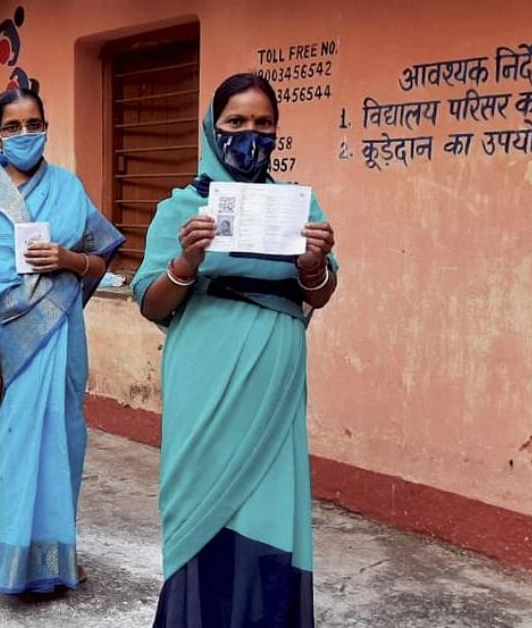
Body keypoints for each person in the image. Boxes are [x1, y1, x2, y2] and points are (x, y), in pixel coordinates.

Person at [133, 74, 338, 628]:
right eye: (236, 122)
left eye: (263, 123)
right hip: (204, 378)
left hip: (273, 381)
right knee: (201, 501)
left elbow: (321, 292)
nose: (251, 134)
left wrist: (314, 266)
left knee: (271, 505)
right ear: (211, 128)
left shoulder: (298, 205)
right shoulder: (182, 209)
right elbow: (152, 304)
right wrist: (185, 263)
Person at [0, 89, 125, 593]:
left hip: (62, 336)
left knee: (65, 443)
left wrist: (68, 260)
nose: (25, 135)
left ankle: (57, 555)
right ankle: (11, 561)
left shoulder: (68, 187)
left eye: (34, 124)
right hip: (8, 347)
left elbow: (100, 259)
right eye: (13, 126)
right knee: (16, 449)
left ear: (46, 126)